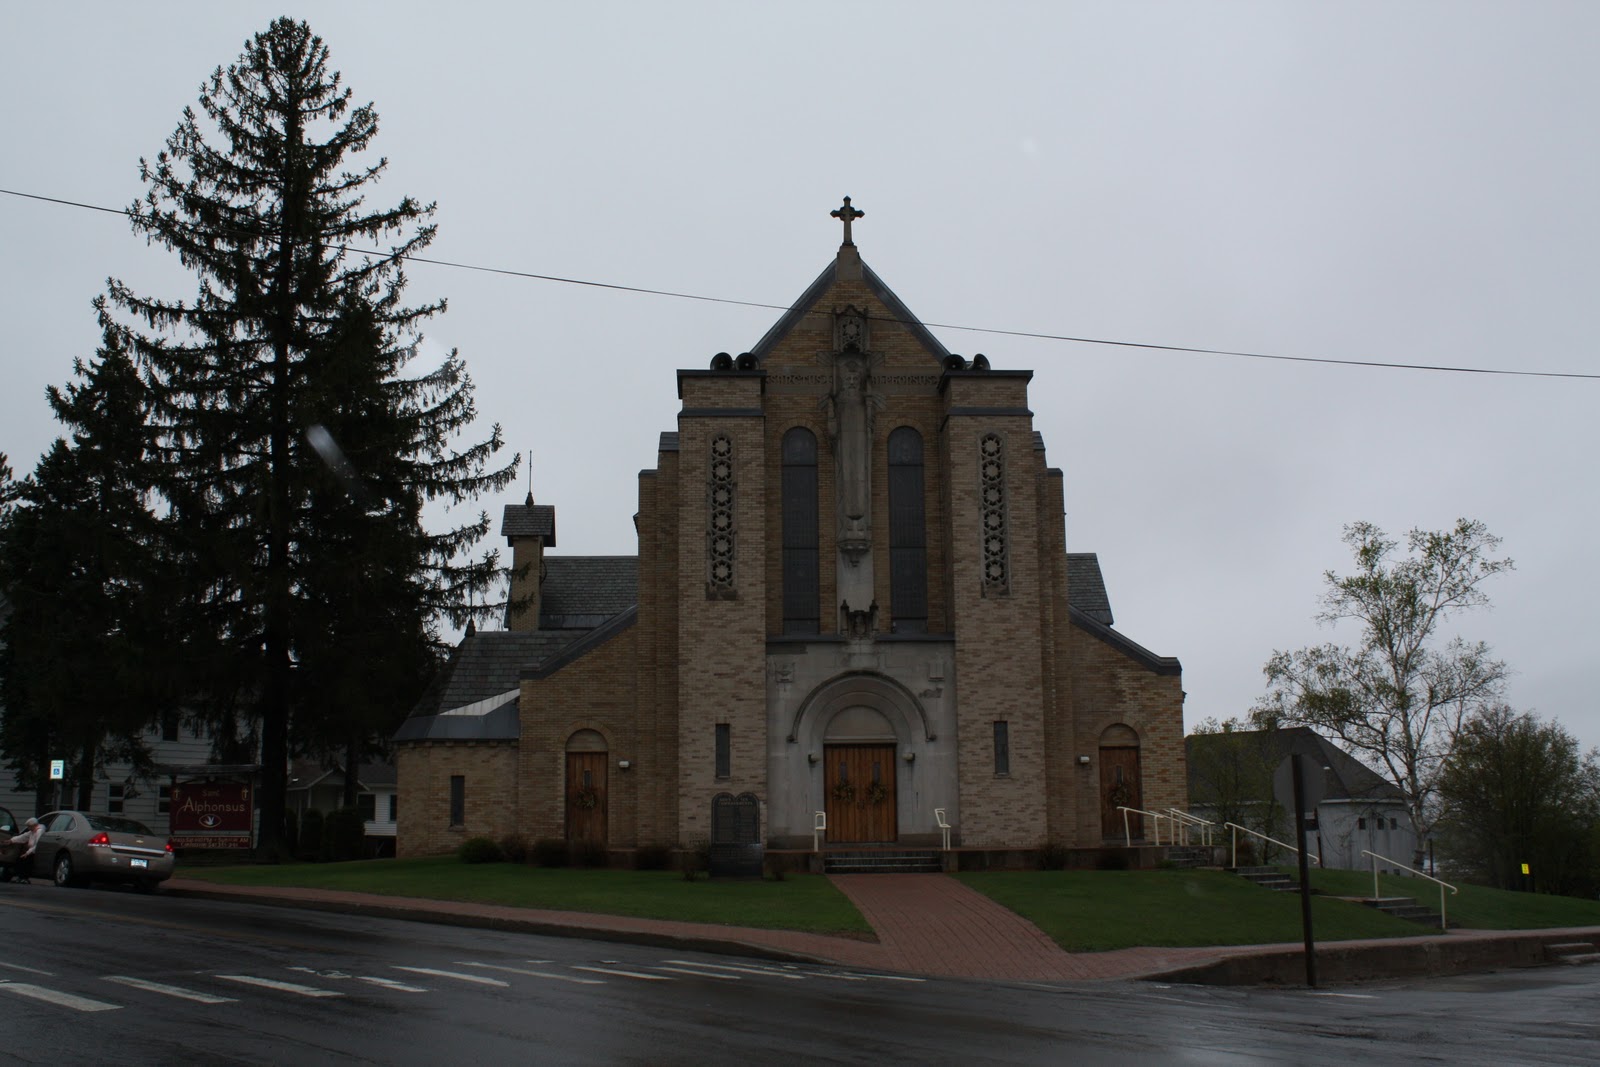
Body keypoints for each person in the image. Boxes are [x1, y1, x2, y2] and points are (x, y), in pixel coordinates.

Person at [8, 817, 43, 883]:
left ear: (34, 825)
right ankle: (21, 877)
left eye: (29, 826)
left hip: (34, 852)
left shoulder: (39, 831)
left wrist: (27, 853)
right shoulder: (32, 831)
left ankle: (24, 878)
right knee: (20, 860)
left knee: (25, 862)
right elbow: (23, 837)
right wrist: (11, 840)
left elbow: (37, 845)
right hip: (30, 851)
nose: (28, 828)